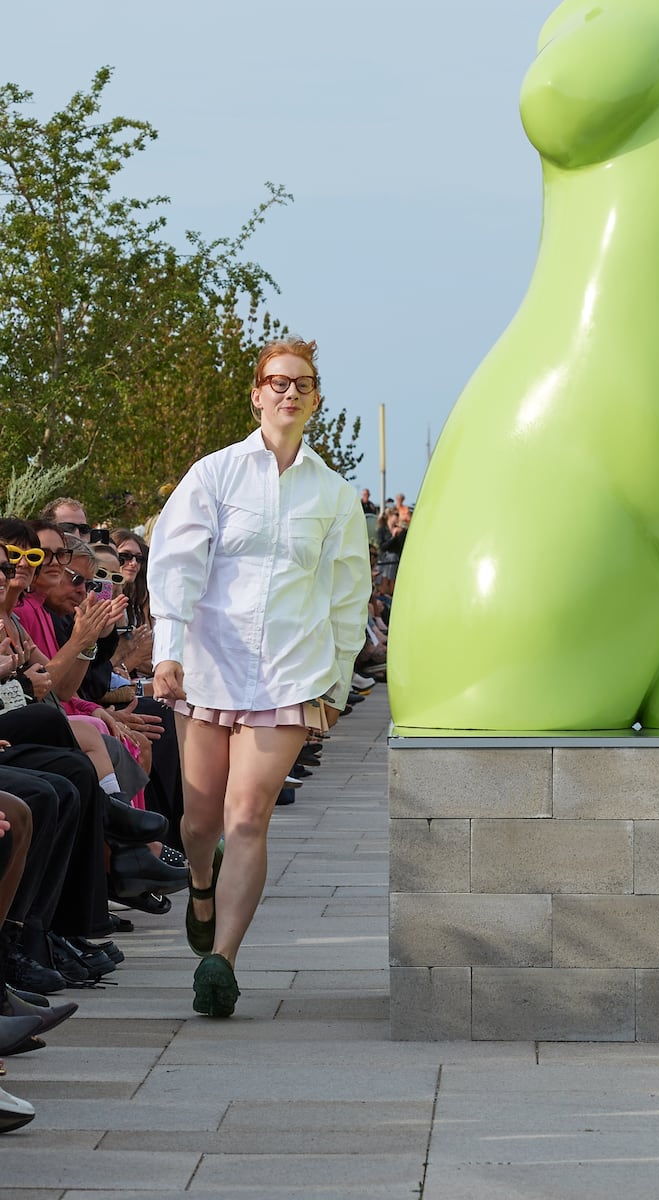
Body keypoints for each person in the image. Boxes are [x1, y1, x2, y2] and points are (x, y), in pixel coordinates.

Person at [148, 336, 371, 1018]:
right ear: (256, 392)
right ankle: (200, 879)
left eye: (301, 384)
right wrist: (167, 649)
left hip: (289, 675)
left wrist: (332, 685)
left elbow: (346, 595)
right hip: (209, 669)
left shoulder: (333, 495)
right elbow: (176, 564)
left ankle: (223, 962)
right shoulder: (214, 474)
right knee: (198, 820)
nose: (288, 393)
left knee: (248, 817)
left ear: (316, 400)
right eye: (277, 381)